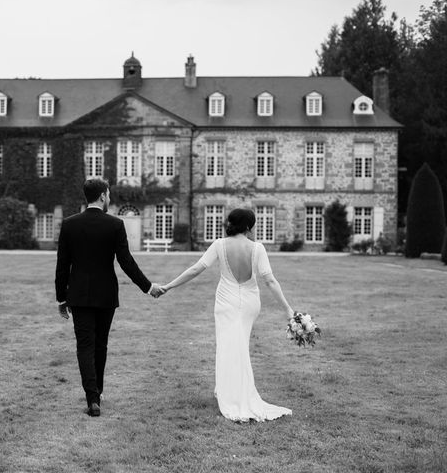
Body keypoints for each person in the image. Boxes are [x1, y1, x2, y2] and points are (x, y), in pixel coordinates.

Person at [160, 208, 294, 422]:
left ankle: (230, 392)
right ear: (249, 226)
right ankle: (230, 389)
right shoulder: (257, 248)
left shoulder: (219, 245)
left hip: (227, 302)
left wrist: (168, 286)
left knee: (228, 346)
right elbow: (269, 280)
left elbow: (196, 269)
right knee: (239, 346)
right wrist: (287, 309)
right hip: (250, 302)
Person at [55, 178, 164, 417]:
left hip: (79, 294)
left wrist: (61, 298)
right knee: (100, 344)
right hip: (106, 294)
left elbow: (62, 265)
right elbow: (126, 262)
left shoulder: (69, 224)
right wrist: (148, 287)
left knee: (85, 345)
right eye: (109, 194)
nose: (110, 198)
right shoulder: (115, 224)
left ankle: (92, 397)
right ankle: (98, 392)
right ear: (103, 196)